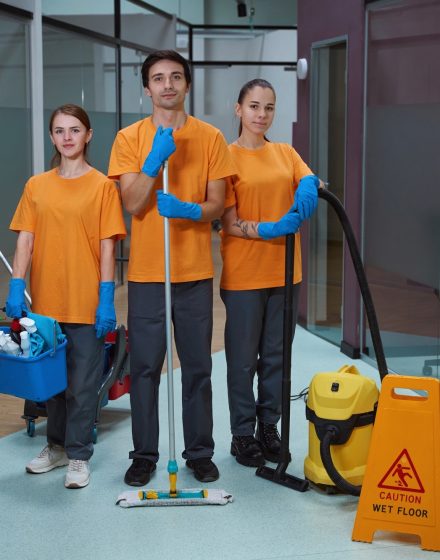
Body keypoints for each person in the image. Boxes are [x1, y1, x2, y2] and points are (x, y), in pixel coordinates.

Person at [108, 50, 236, 486]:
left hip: (194, 272)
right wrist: (152, 162)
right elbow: (132, 202)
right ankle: (144, 454)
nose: (167, 85)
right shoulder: (128, 138)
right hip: (147, 274)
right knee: (144, 368)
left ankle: (199, 451)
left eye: (175, 77)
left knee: (198, 366)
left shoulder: (211, 137)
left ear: (186, 84)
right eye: (158, 79)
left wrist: (187, 210)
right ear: (147, 88)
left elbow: (217, 205)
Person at [6, 104, 126, 488]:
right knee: (52, 384)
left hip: (87, 301)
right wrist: (14, 285)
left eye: (75, 130)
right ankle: (55, 448)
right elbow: (26, 237)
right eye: (59, 131)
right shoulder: (36, 186)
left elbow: (107, 246)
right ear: (52, 137)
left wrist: (106, 298)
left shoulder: (102, 186)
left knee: (82, 384)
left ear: (88, 135)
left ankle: (78, 455)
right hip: (45, 304)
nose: (67, 137)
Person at [220, 79, 320, 467]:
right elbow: (228, 222)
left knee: (276, 357)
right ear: (238, 109)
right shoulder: (226, 157)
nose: (262, 115)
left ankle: (269, 428)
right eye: (254, 106)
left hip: (284, 274)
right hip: (245, 275)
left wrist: (309, 186)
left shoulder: (285, 152)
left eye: (269, 108)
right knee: (243, 360)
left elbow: (308, 178)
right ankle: (242, 434)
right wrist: (267, 229)